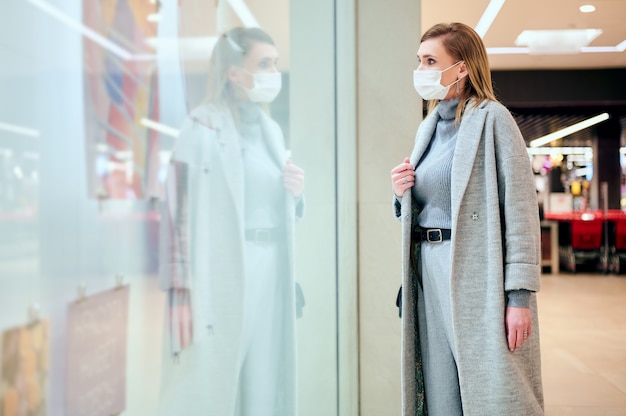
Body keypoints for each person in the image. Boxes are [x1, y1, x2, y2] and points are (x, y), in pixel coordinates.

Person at [391, 22, 543, 416]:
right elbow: (428, 205)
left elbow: (522, 212)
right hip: (428, 271)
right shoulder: (428, 128)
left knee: (492, 387)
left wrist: (519, 297)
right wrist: (401, 193)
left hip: (475, 273)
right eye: (419, 61)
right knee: (440, 386)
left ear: (461, 68)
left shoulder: (493, 120)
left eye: (430, 61)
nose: (421, 70)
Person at [158, 27, 305, 415]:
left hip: (271, 267)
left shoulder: (271, 130)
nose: (274, 72)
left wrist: (295, 192)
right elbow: (176, 213)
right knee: (214, 379)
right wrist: (179, 294)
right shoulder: (200, 125)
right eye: (264, 64)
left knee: (263, 377)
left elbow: (269, 200)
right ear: (233, 72)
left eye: (275, 63)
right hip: (227, 267)